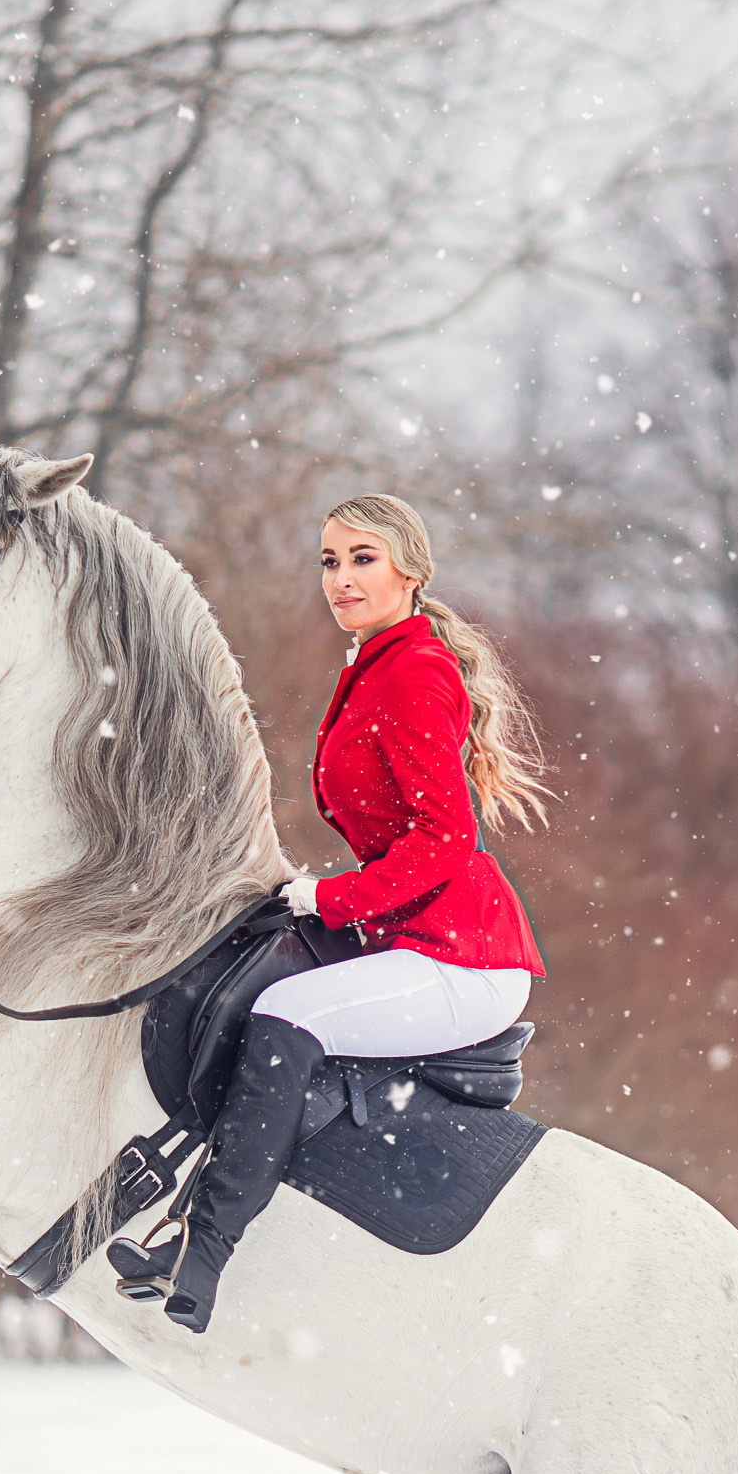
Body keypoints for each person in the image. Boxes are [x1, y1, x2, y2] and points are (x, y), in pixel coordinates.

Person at [110, 492, 549, 1334]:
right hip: (414, 934)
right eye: (329, 560)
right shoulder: (374, 663)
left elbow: (447, 840)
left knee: (284, 1014)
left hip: (466, 956)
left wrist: (333, 898)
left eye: (362, 558)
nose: (341, 578)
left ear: (411, 572)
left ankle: (201, 1250)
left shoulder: (415, 671)